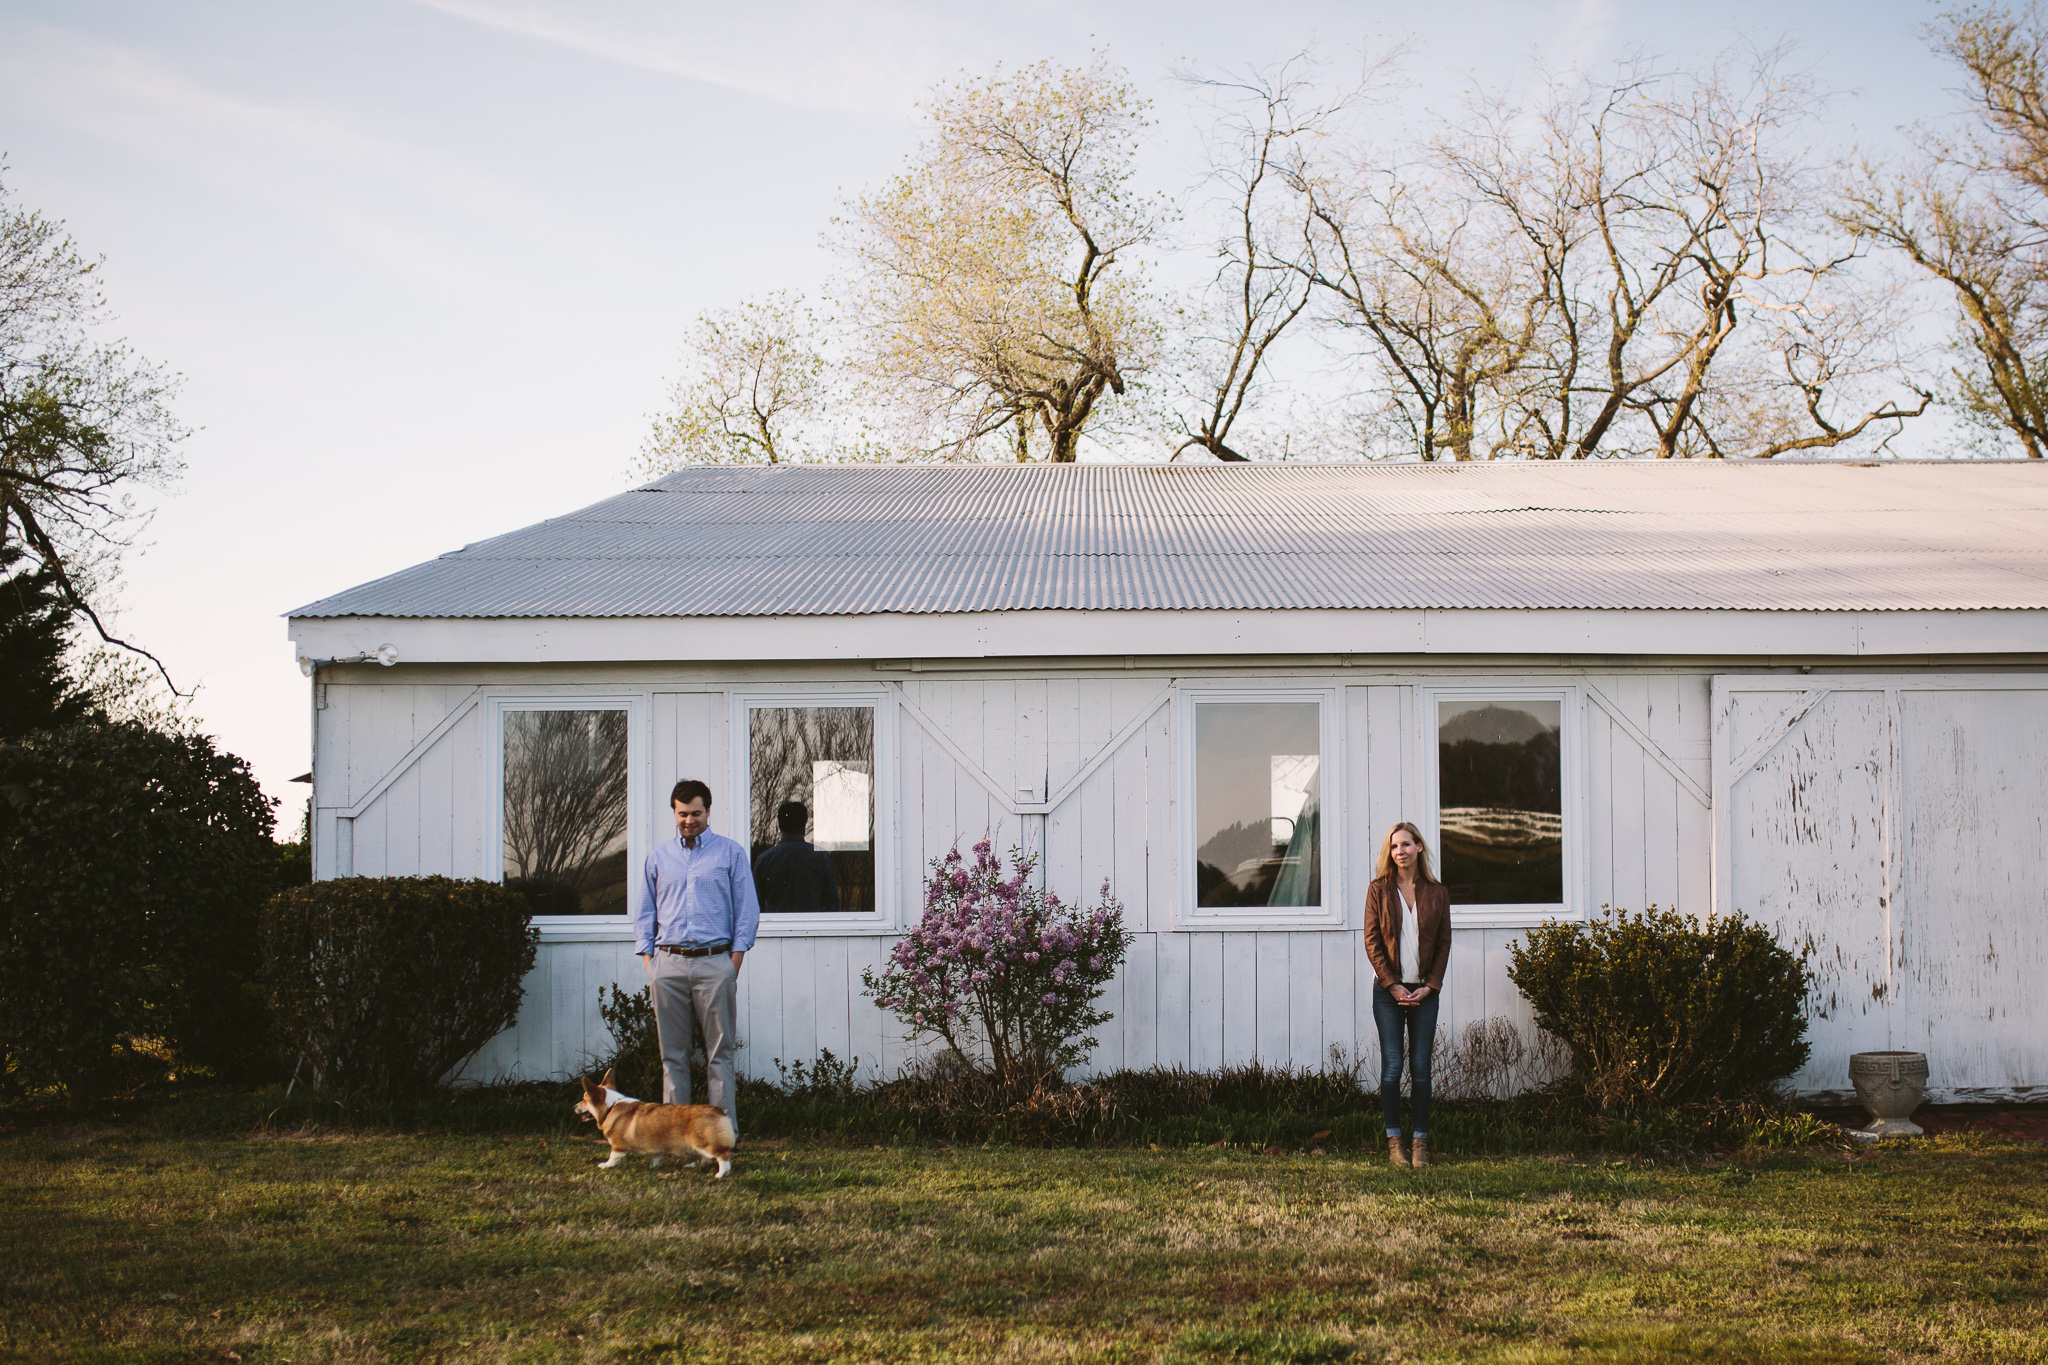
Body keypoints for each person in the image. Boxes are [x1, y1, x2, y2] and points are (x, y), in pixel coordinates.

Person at [634, 778, 759, 1131]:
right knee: (672, 1056)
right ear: (674, 813)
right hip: (667, 964)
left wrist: (733, 963)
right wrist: (650, 963)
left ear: (708, 811)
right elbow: (644, 913)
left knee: (719, 1055)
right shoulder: (658, 858)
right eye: (683, 814)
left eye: (697, 813)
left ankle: (722, 1133)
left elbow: (746, 910)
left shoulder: (730, 853)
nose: (690, 820)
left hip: (715, 963)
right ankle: (676, 1137)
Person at [1362, 820, 1450, 1169]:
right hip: (1388, 991)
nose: (1401, 851)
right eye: (1395, 846)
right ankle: (1394, 1141)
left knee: (1421, 1068)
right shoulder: (1378, 890)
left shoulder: (1437, 892)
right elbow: (1372, 942)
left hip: (1425, 992)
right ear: (1391, 851)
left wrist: (1430, 986)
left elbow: (1444, 943)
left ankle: (1420, 1144)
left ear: (1419, 848)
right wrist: (1393, 985)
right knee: (1393, 1067)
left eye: (1407, 844)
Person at [752, 799, 841, 914]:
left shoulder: (764, 859)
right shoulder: (820, 857)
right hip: (813, 928)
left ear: (780, 826)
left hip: (776, 929)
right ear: (804, 824)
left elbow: (755, 907)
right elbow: (832, 903)